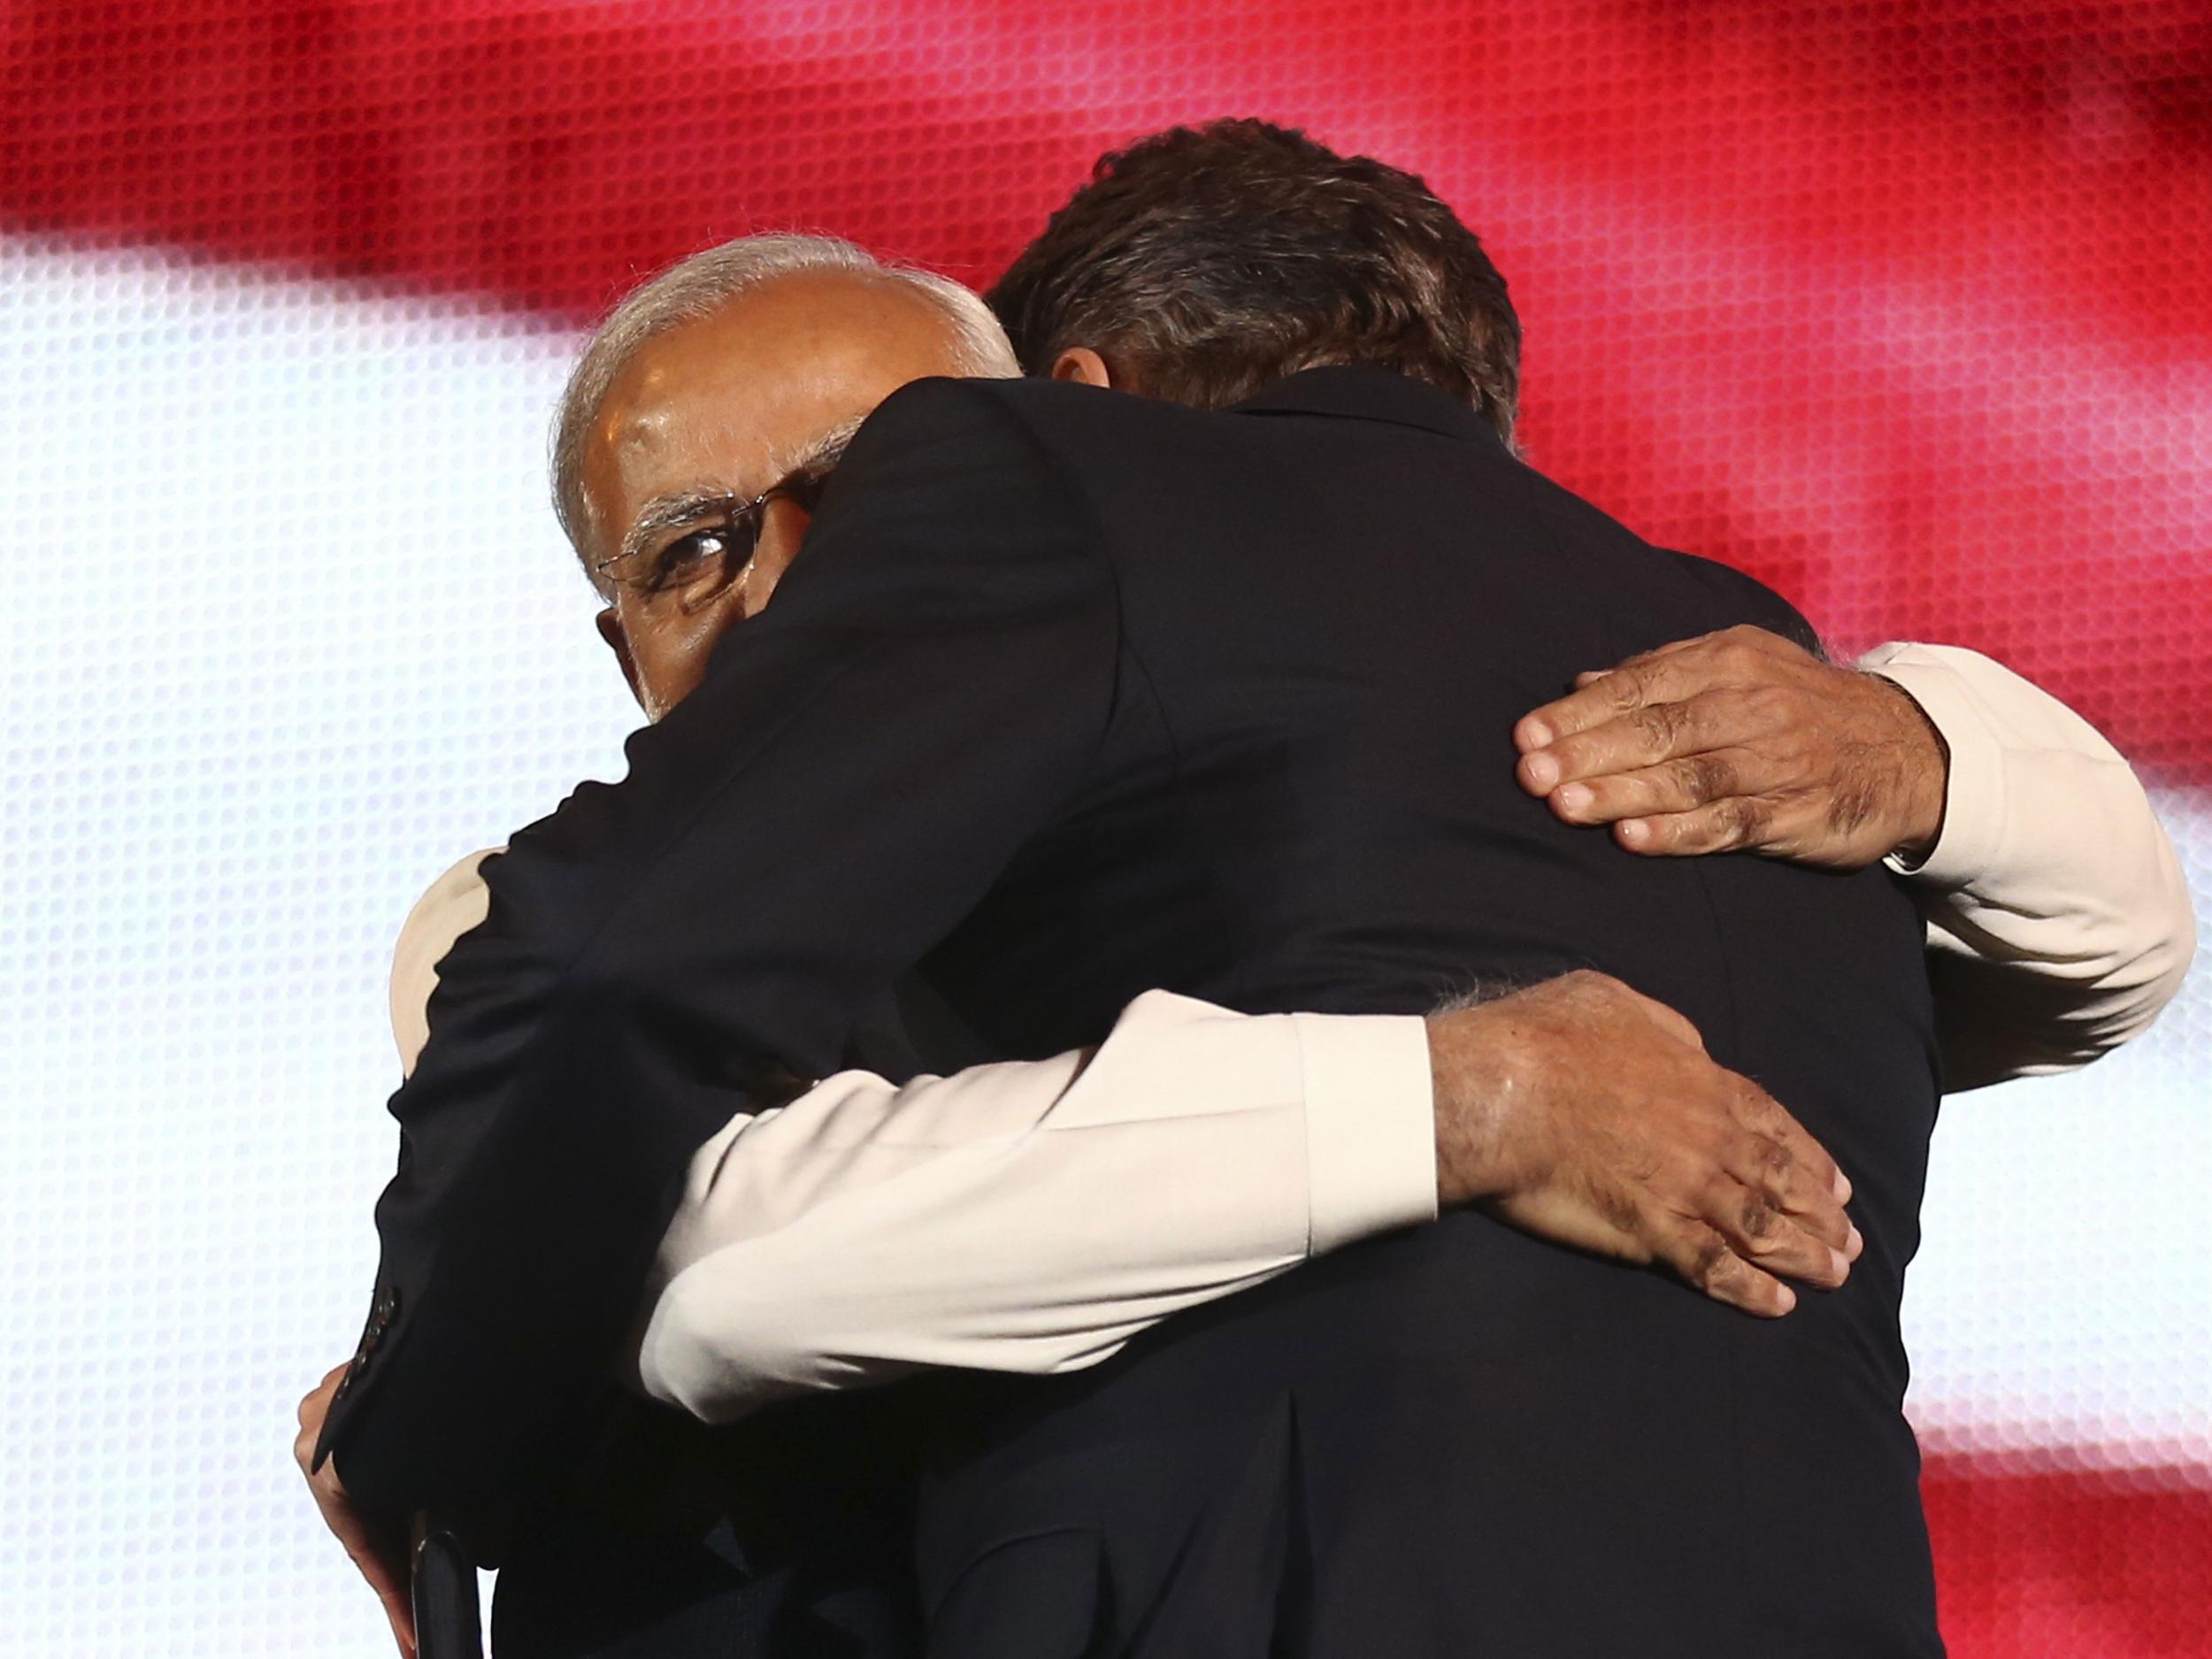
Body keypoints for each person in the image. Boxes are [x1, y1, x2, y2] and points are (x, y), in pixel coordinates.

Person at [301, 129, 2192, 1655]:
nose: (800, 580)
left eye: (885, 481)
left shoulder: (1360, 774)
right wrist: (1458, 1100)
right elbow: (718, 1268)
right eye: (699, 546)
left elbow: (2099, 931)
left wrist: (1918, 742)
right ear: (620, 639)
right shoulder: (509, 936)